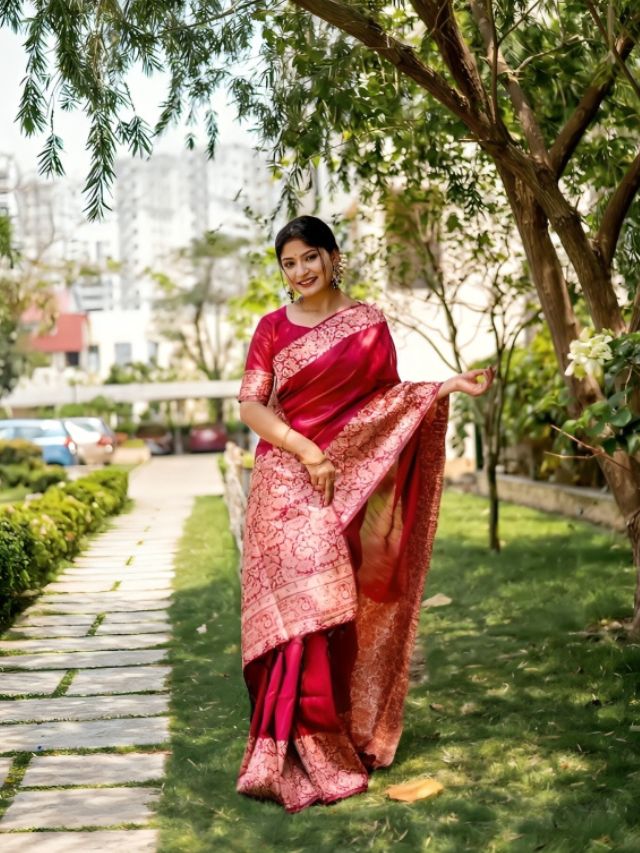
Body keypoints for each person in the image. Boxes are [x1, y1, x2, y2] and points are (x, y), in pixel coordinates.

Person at [236, 215, 495, 813]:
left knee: (328, 610)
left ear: (333, 256)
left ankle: (330, 737)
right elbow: (251, 405)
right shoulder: (272, 327)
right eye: (289, 264)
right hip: (283, 481)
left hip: (336, 486)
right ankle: (285, 747)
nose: (301, 272)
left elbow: (386, 403)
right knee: (295, 618)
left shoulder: (368, 323)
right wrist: (308, 451)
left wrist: (445, 387)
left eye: (309, 257)